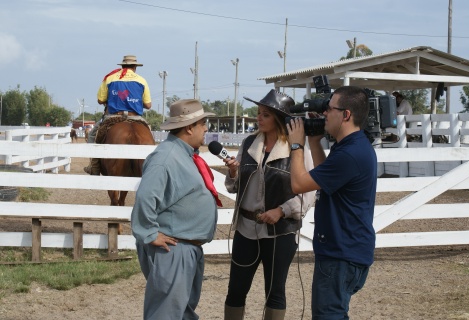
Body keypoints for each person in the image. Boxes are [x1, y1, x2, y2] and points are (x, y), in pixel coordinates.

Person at [223, 89, 315, 320]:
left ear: (278, 118)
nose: (259, 118)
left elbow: (310, 188)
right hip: (245, 229)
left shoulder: (297, 148)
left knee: (274, 292)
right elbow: (234, 188)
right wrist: (233, 173)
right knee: (235, 290)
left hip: (280, 232)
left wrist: (282, 211)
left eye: (265, 114)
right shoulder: (249, 143)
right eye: (258, 113)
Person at [286, 86, 377, 319]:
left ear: (346, 114)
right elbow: (324, 177)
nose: (324, 113)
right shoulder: (351, 146)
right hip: (348, 250)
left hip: (341, 254)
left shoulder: (350, 154)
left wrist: (297, 144)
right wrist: (315, 143)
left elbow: (299, 184)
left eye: (329, 108)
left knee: (329, 315)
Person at [131, 99, 219, 320]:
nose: (206, 128)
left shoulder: (182, 155)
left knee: (182, 313)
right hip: (174, 249)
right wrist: (149, 233)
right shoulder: (166, 158)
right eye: (202, 123)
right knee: (166, 314)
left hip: (184, 247)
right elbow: (145, 196)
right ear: (189, 127)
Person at [84, 54, 152, 175]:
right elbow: (148, 105)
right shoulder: (142, 80)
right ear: (135, 67)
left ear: (122, 66)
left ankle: (94, 167)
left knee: (93, 136)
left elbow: (100, 100)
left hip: (114, 116)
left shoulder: (110, 78)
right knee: (149, 136)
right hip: (136, 117)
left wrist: (114, 99)